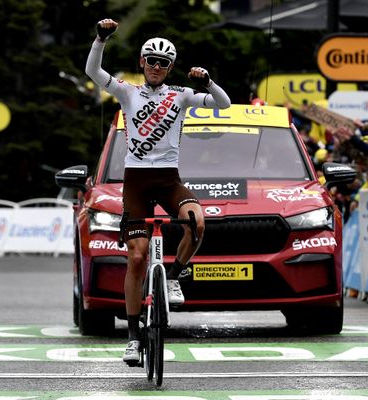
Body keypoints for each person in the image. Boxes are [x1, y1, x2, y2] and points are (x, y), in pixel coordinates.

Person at [85, 18, 231, 364]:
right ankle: (134, 337)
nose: (156, 67)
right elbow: (93, 71)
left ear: (170, 68)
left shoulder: (180, 96)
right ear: (142, 62)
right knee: (136, 256)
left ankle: (175, 275)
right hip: (135, 181)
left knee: (197, 222)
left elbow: (223, 105)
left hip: (168, 179)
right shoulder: (127, 92)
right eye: (151, 60)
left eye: (163, 63)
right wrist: (101, 39)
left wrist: (208, 82)